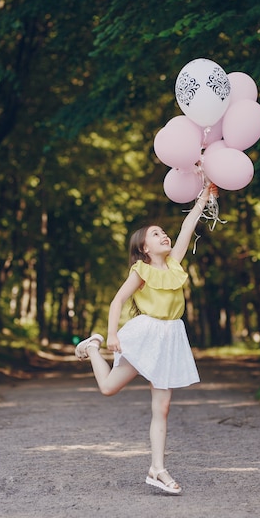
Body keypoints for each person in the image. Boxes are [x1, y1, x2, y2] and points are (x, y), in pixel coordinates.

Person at [75, 183, 216, 495]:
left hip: (171, 336)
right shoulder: (141, 270)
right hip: (145, 334)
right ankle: (93, 347)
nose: (163, 235)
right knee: (109, 388)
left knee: (162, 408)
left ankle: (157, 468)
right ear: (144, 249)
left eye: (162, 232)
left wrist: (204, 197)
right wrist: (111, 334)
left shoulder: (176, 264)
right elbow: (116, 302)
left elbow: (188, 225)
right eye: (155, 234)